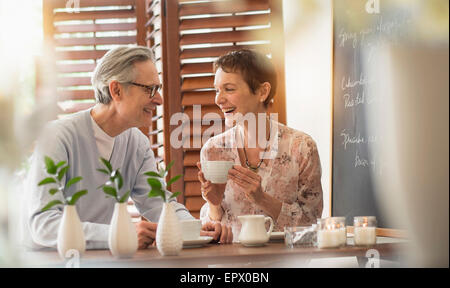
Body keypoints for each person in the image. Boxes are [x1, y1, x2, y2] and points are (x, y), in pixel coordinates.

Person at [25, 46, 232, 250]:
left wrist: (196, 229)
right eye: (149, 89)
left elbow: (159, 204)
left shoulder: (137, 143)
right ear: (116, 90)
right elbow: (44, 225)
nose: (158, 99)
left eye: (157, 89)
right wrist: (122, 233)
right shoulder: (56, 137)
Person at [197, 49, 323, 241]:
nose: (218, 99)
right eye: (217, 90)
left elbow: (312, 224)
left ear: (263, 92)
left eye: (229, 89)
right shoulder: (213, 150)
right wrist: (213, 204)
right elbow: (212, 229)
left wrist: (262, 199)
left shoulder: (302, 148)